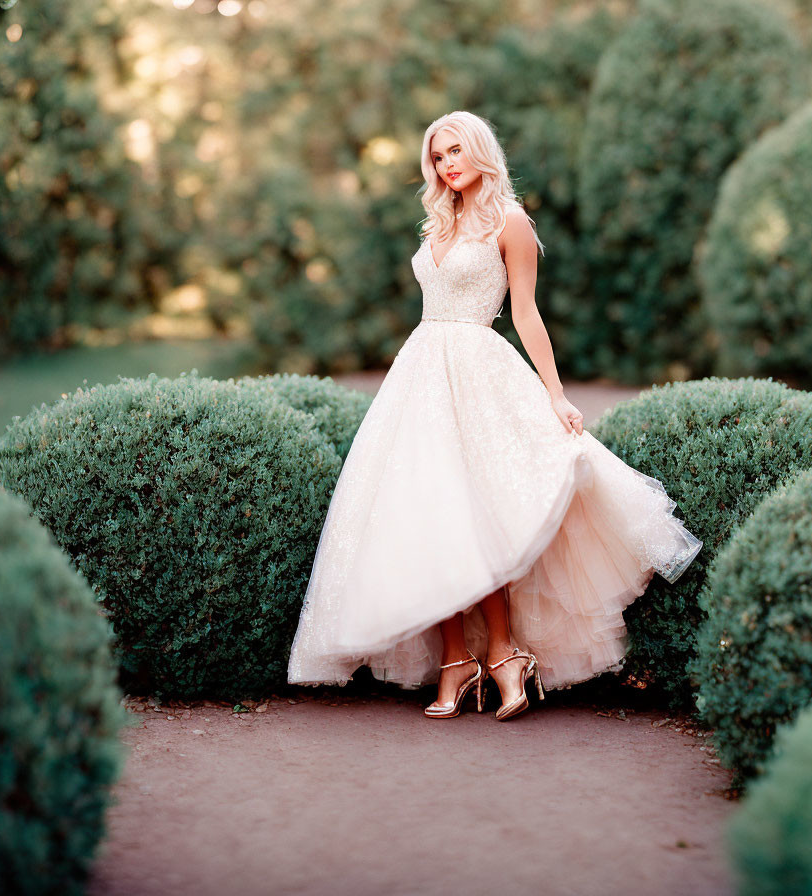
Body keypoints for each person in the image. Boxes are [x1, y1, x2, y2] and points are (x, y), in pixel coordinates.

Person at [287, 110, 702, 721]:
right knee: (431, 515)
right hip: (421, 375)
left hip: (480, 370)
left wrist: (557, 393)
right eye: (437, 156)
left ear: (480, 152)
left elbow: (526, 314)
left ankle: (506, 654)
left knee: (485, 515)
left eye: (456, 151)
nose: (447, 164)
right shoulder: (436, 225)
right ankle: (456, 660)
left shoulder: (510, 221)